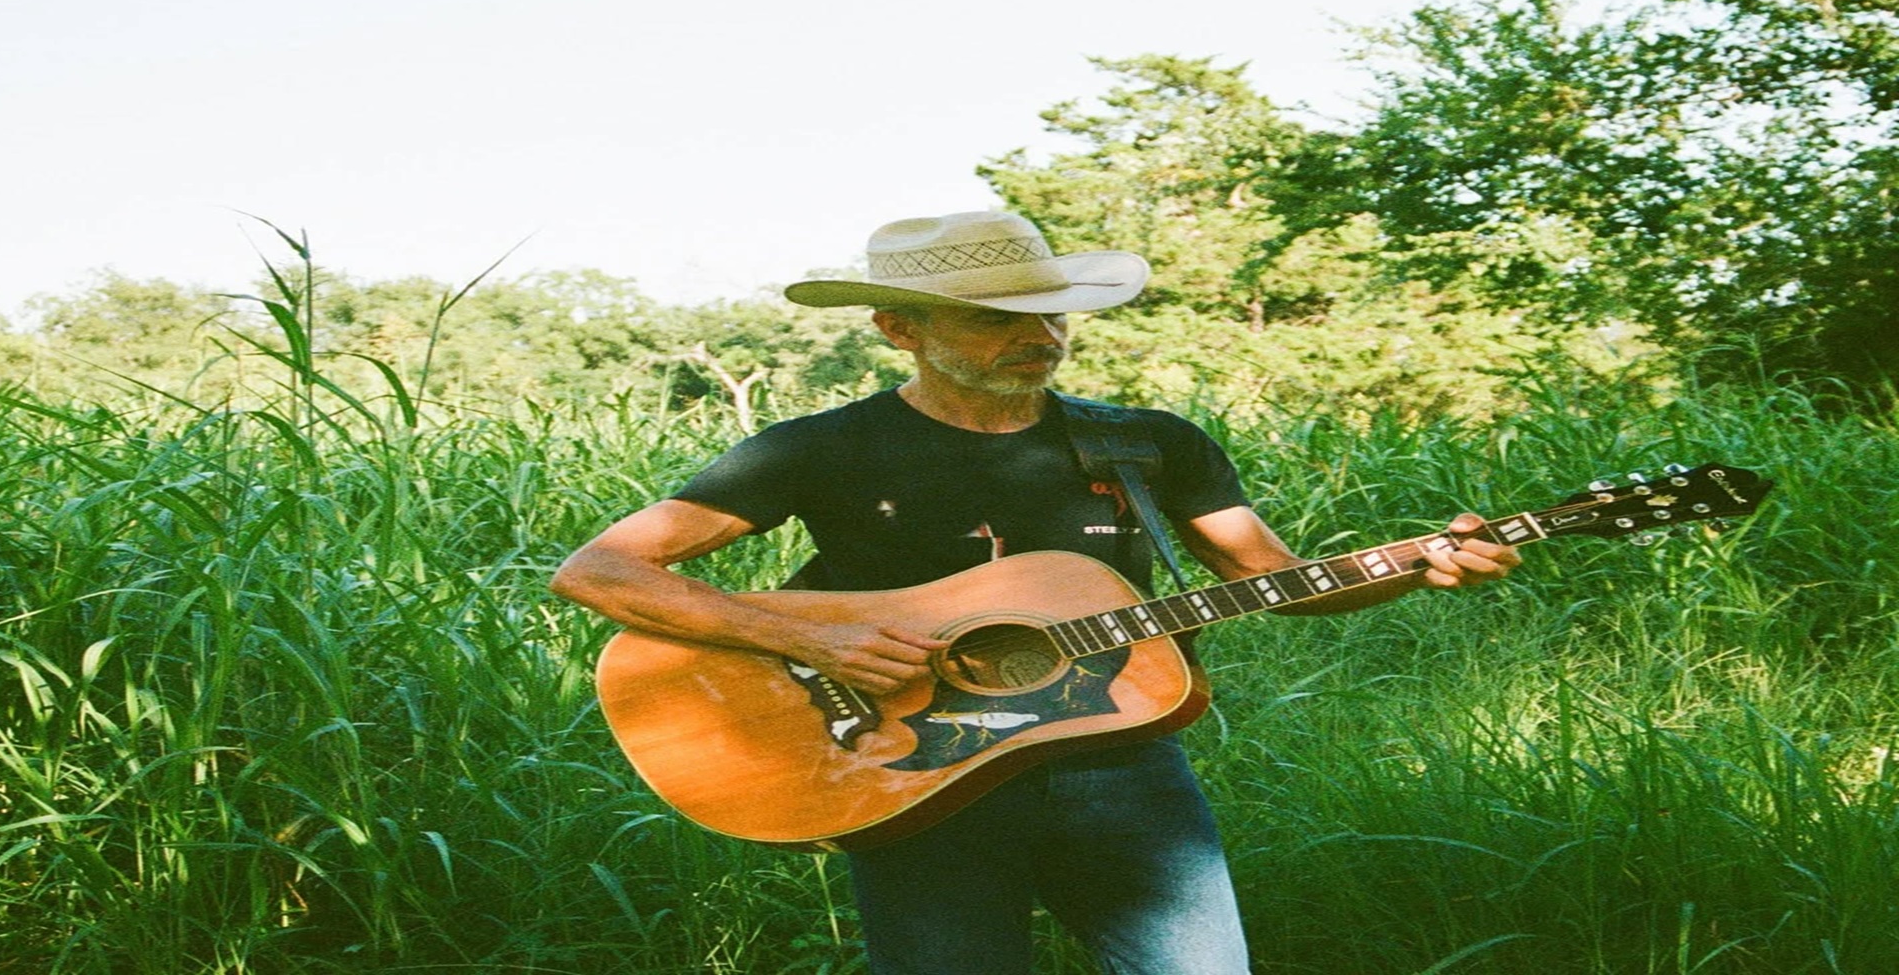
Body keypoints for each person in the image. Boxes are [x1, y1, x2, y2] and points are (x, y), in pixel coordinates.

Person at [550, 210, 1521, 975]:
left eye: (1050, 311)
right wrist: (814, 641)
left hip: (1123, 766)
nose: (1040, 336)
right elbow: (599, 571)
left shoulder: (1147, 444)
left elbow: (1274, 582)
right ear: (900, 330)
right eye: (997, 318)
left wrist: (1414, 567)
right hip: (904, 771)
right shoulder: (817, 449)